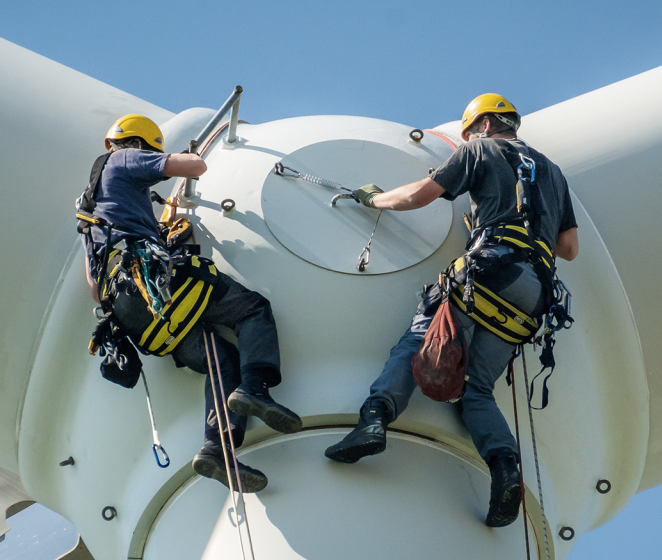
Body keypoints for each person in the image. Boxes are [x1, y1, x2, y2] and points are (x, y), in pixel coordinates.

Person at [324, 94, 579, 527]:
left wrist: (374, 200)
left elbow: (419, 197)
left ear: (480, 126)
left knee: (418, 343)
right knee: (476, 388)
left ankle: (374, 421)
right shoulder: (553, 173)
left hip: (489, 268)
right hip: (533, 294)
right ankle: (505, 469)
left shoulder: (479, 150)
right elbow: (569, 249)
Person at [78, 114, 302, 491]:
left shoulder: (89, 208)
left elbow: (94, 288)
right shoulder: (124, 160)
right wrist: (180, 159)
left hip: (132, 310)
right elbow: (194, 166)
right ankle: (255, 389)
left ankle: (216, 450)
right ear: (140, 144)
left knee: (220, 359)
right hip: (154, 281)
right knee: (251, 309)